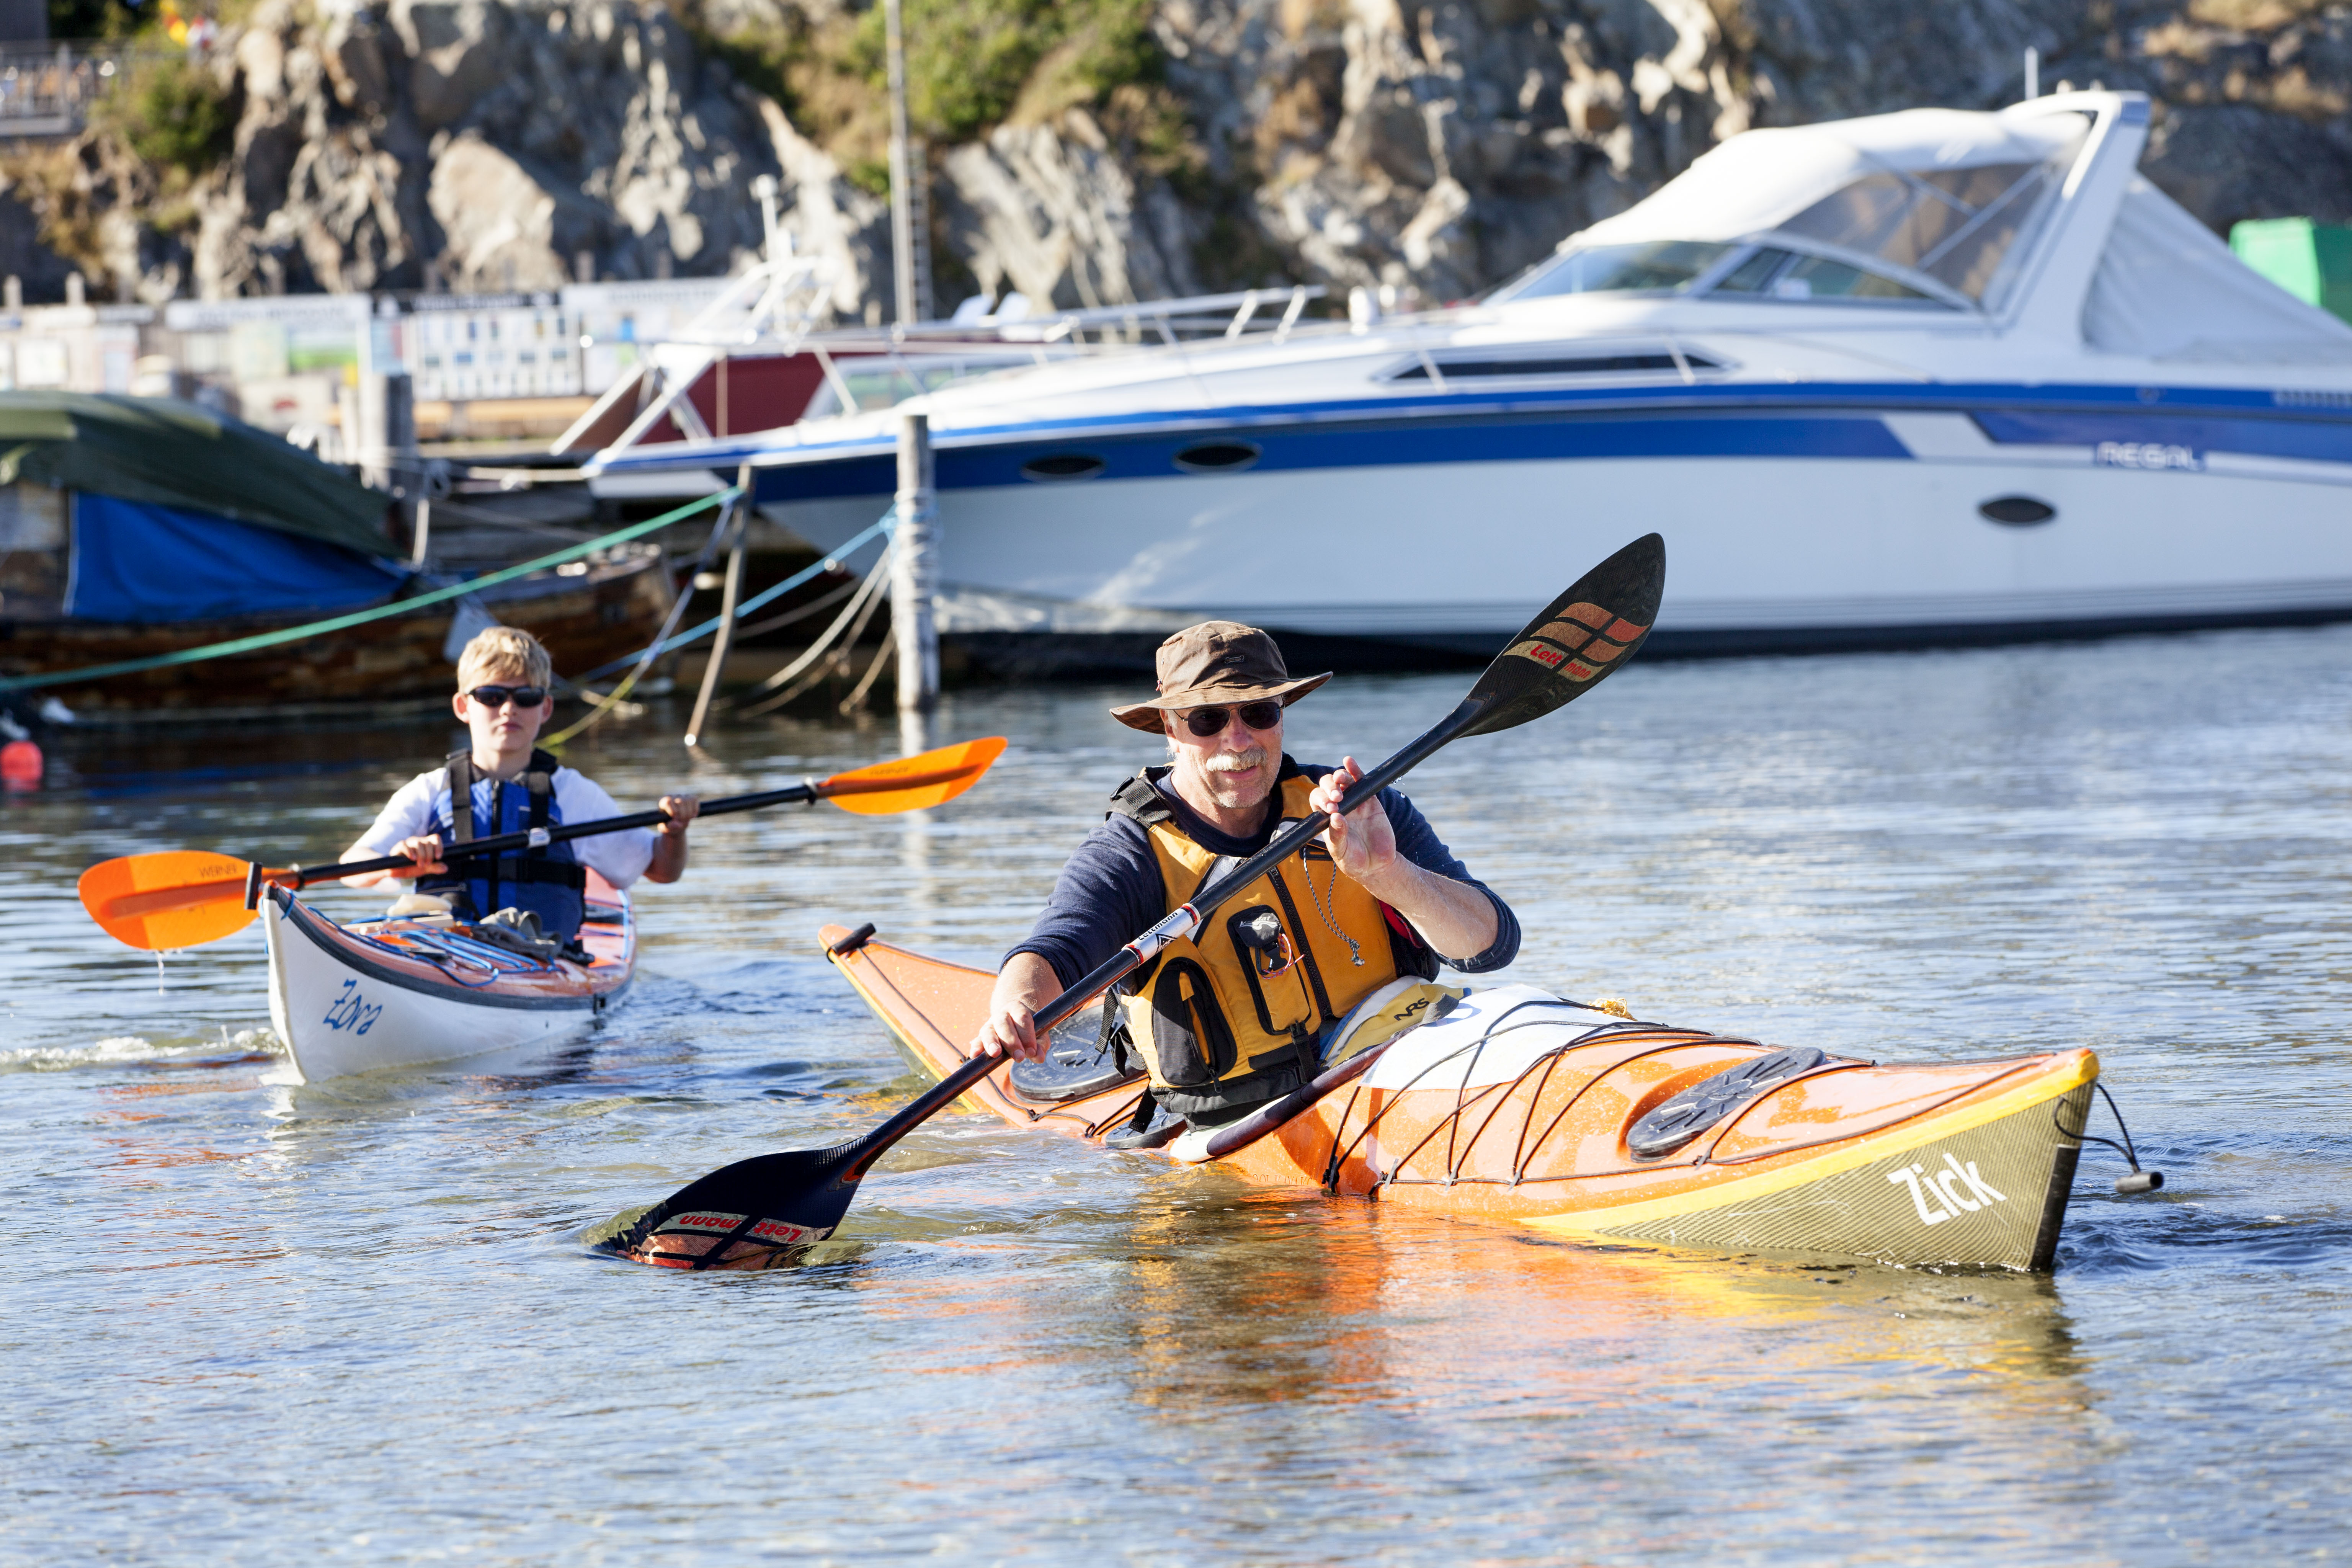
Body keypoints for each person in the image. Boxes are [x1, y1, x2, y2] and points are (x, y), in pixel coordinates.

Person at [971, 621, 1520, 1139]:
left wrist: (1389, 873)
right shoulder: (1130, 853)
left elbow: (1492, 948)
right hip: (1246, 1124)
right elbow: (1056, 950)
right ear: (1169, 727)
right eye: (1208, 720)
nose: (1239, 740)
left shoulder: (1362, 811)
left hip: (1405, 1076)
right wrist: (1016, 1008)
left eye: (1259, 711)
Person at [341, 627, 698, 944]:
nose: (509, 710)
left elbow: (662, 869)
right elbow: (353, 866)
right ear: (464, 706)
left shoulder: (574, 795)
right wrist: (397, 864)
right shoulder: (429, 791)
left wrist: (675, 832)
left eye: (525, 698)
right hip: (450, 952)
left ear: (545, 709)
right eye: (492, 697)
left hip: (540, 959)